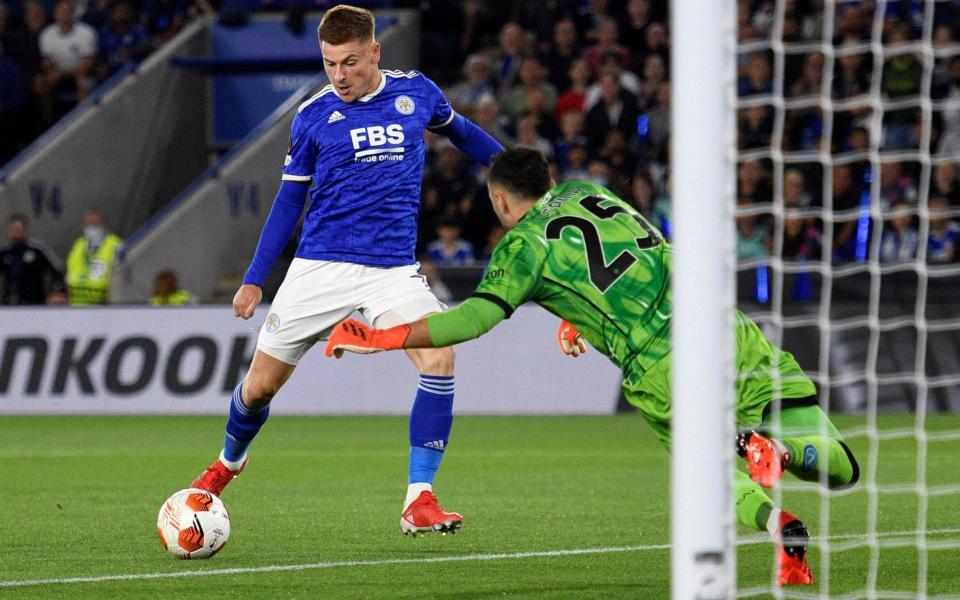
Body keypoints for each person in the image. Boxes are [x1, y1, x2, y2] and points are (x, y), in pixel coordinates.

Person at [324, 148, 861, 586]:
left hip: (662, 364)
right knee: (842, 469)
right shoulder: (589, 193)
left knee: (710, 475)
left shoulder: (521, 248)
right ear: (550, 179)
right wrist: (579, 314)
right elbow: (656, 254)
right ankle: (782, 477)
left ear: (499, 200)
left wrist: (385, 335)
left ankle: (769, 503)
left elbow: (471, 321)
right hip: (723, 328)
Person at [188, 5, 503, 537]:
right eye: (330, 63)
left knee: (440, 357)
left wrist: (518, 175)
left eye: (350, 62)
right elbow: (289, 202)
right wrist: (255, 277)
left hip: (392, 271)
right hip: (318, 270)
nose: (340, 75)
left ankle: (419, 498)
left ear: (374, 52)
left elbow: (465, 134)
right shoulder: (312, 116)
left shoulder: (416, 93)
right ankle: (227, 464)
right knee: (260, 388)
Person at [0, 214, 62, 305]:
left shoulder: (37, 251)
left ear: (25, 230)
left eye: (18, 229)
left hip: (34, 302)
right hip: (10, 301)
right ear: (8, 232)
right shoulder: (5, 253)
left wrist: (55, 291)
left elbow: (57, 271)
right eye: (12, 229)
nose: (15, 232)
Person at [65, 209, 122, 305]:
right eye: (88, 223)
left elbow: (120, 277)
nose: (91, 226)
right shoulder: (79, 244)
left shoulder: (115, 245)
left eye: (95, 223)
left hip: (101, 304)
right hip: (77, 304)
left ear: (104, 225)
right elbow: (70, 271)